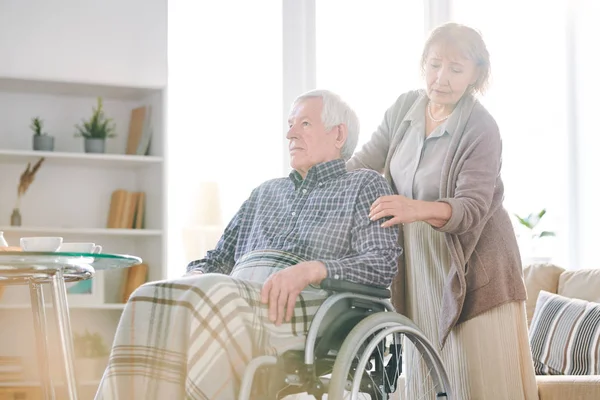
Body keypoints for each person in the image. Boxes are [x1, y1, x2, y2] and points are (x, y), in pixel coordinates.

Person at [95, 89, 402, 400]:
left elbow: (381, 263)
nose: (290, 133)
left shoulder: (365, 185)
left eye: (304, 124)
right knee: (148, 295)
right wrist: (193, 277)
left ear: (338, 134)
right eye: (290, 124)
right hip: (237, 294)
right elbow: (218, 258)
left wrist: (311, 270)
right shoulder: (265, 192)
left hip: (310, 306)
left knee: (217, 296)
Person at [347, 22, 538, 399]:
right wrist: (318, 178)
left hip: (475, 267)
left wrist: (412, 208)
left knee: (478, 381)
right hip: (421, 267)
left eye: (455, 69)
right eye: (435, 65)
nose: (441, 78)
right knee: (429, 378)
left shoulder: (481, 127)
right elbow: (363, 163)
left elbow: (470, 209)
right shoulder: (405, 107)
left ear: (475, 75)